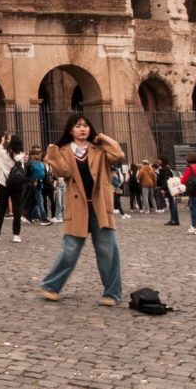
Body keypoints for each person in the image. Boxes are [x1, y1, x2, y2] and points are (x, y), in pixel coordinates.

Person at [38, 115, 127, 305]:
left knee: (107, 250)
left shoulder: (100, 150)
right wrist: (53, 155)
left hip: (99, 205)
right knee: (69, 250)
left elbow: (118, 155)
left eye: (86, 125)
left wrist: (102, 137)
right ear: (70, 130)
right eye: (78, 126)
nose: (82, 129)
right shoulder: (64, 151)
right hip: (78, 206)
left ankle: (112, 293)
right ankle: (51, 286)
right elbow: (64, 173)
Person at [0, 135, 26, 243]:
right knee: (17, 210)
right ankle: (16, 235)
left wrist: (2, 142)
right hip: (17, 184)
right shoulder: (21, 155)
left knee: (1, 210)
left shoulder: (3, 153)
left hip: (4, 183)